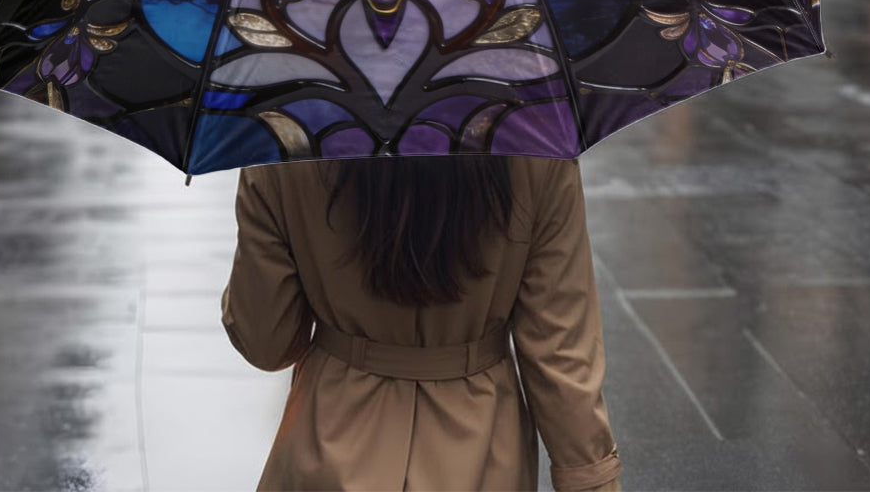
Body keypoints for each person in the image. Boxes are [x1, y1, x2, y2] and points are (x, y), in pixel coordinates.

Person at [223, 157, 622, 492]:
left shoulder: (285, 149)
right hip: (483, 448)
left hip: (329, 435)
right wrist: (592, 478)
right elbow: (560, 352)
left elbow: (266, 342)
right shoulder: (537, 149)